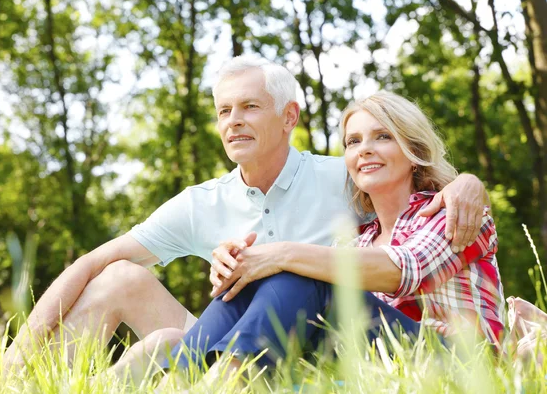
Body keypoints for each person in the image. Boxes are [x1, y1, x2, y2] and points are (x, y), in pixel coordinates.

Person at [1, 56, 489, 377]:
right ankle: (25, 383)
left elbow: (405, 261)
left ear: (289, 118)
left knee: (295, 276)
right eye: (223, 111)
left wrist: (468, 183)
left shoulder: (411, 201)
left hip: (410, 355)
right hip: (306, 344)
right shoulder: (359, 229)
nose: (233, 120)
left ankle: (213, 381)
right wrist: (238, 263)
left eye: (250, 107)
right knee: (138, 296)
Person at [181, 92, 505, 379]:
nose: (364, 150)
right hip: (380, 361)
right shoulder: (356, 241)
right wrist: (238, 264)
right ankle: (178, 379)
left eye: (382, 137)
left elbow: (404, 270)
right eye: (353, 142)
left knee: (298, 272)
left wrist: (281, 255)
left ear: (413, 152)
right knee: (262, 281)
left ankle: (228, 381)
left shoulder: (456, 212)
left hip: (460, 362)